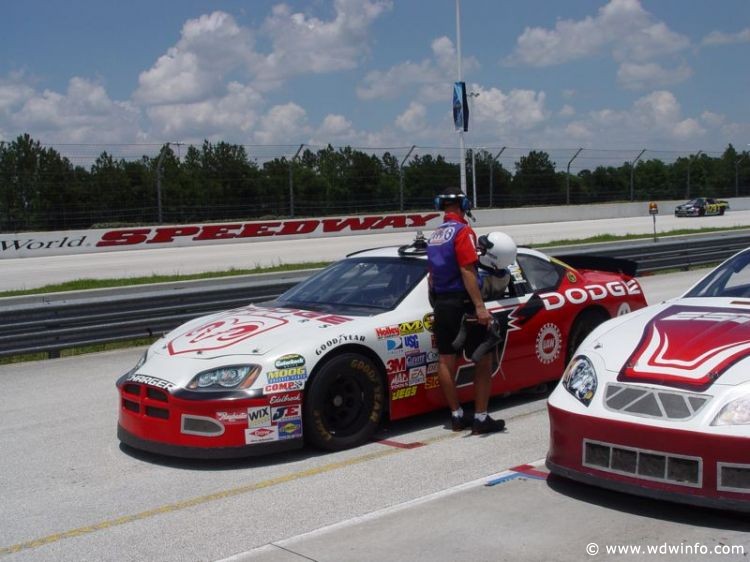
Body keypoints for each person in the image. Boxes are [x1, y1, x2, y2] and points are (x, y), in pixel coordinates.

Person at [426, 187, 506, 434]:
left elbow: (431, 277)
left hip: (442, 304)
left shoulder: (435, 235)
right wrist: (480, 307)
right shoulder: (464, 232)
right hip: (464, 304)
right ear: (465, 204)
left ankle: (457, 415)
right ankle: (481, 418)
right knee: (484, 359)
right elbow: (468, 270)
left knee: (445, 358)